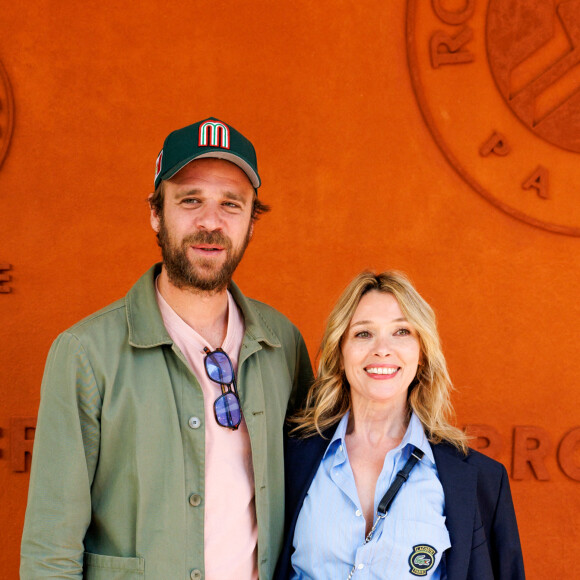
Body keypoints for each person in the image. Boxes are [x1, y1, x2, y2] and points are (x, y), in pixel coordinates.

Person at [21, 117, 313, 580]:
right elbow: (50, 549)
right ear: (156, 213)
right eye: (190, 200)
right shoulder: (85, 354)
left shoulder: (283, 343)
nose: (211, 223)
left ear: (252, 222)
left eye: (231, 205)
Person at [275, 271, 525, 580]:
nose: (382, 348)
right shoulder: (287, 460)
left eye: (402, 332)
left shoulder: (480, 480)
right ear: (340, 352)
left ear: (422, 354)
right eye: (363, 333)